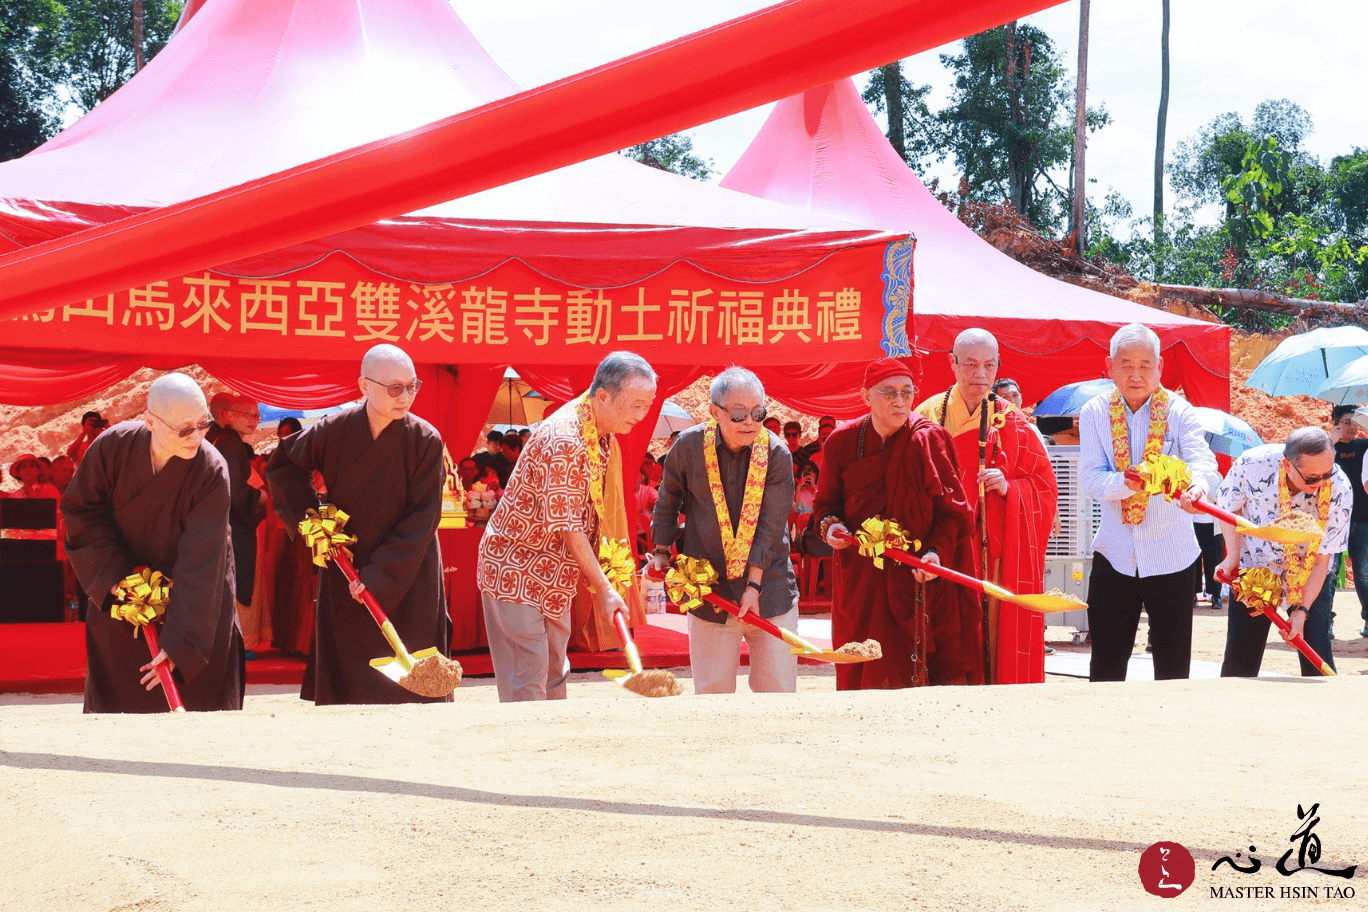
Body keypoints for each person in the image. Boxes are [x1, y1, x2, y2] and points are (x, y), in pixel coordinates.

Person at [267, 343, 452, 705]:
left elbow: (423, 516)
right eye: (395, 388)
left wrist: (380, 574)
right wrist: (317, 525)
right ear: (364, 387)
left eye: (413, 386)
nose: (406, 397)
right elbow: (283, 466)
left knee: (413, 682)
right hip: (346, 560)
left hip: (408, 565)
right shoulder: (333, 429)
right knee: (351, 676)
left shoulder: (425, 439)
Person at [478, 351, 657, 702]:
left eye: (646, 405)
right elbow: (568, 524)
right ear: (603, 395)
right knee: (528, 677)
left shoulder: (602, 433)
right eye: (635, 404)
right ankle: (523, 753)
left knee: (554, 675)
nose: (641, 414)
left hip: (555, 573)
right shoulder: (565, 437)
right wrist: (605, 590)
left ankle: (551, 751)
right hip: (517, 567)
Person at [62, 373, 244, 713]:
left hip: (195, 597)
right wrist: (115, 576)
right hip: (123, 588)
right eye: (184, 429)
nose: (197, 437)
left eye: (203, 424)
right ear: (149, 421)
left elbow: (202, 560)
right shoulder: (111, 447)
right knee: (122, 703)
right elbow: (81, 512)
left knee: (200, 703)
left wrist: (181, 643)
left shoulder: (211, 468)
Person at [814, 357, 983, 689]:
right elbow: (825, 504)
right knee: (867, 670)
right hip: (865, 579)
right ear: (866, 396)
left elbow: (954, 512)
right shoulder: (842, 442)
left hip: (920, 575)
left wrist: (936, 554)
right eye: (889, 393)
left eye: (907, 393)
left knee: (932, 673)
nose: (900, 401)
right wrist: (831, 527)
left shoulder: (929, 439)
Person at [1078, 323, 1220, 682]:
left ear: (1160, 367)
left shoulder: (1180, 411)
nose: (1136, 375)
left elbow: (1204, 462)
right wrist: (1127, 482)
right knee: (1106, 666)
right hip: (1115, 553)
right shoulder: (1095, 412)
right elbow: (1091, 480)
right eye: (1125, 364)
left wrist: (1198, 489)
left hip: (1172, 555)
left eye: (1145, 365)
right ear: (1109, 367)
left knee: (1173, 669)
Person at [914, 330, 1057, 680]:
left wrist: (1009, 488)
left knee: (993, 627)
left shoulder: (1013, 419)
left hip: (991, 547)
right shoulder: (927, 415)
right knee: (945, 632)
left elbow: (1042, 484)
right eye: (971, 364)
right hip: (943, 545)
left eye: (989, 365)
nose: (980, 374)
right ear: (953, 363)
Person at [652, 367, 800, 694]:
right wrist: (661, 551)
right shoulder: (688, 448)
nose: (750, 422)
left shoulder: (776, 453)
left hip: (770, 593)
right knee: (712, 693)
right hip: (710, 591)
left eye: (758, 412)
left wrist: (753, 585)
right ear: (715, 412)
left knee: (777, 692)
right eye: (738, 414)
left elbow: (771, 527)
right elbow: (667, 500)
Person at [1217, 428, 1351, 676]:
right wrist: (1233, 555)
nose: (1321, 483)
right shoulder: (1252, 465)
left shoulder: (1340, 489)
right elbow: (1229, 509)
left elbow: (1323, 561)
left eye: (1327, 474)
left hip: (1308, 572)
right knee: (1240, 658)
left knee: (1316, 652)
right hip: (1256, 566)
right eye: (1311, 478)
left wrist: (1302, 611)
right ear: (1287, 464)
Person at [207, 393, 265, 658]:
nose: (254, 420)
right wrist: (260, 498)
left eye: (257, 415)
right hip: (234, 525)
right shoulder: (230, 444)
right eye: (247, 414)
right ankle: (236, 642)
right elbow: (236, 494)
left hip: (218, 524)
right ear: (226, 415)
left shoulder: (217, 438)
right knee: (235, 577)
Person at [1329, 405, 1368, 637]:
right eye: (1346, 422)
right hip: (1333, 521)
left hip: (1362, 519)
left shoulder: (1364, 446)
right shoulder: (1324, 448)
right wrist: (1329, 443)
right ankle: (1326, 621)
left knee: (1363, 572)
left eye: (1355, 422)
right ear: (1334, 422)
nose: (1352, 426)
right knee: (1330, 571)